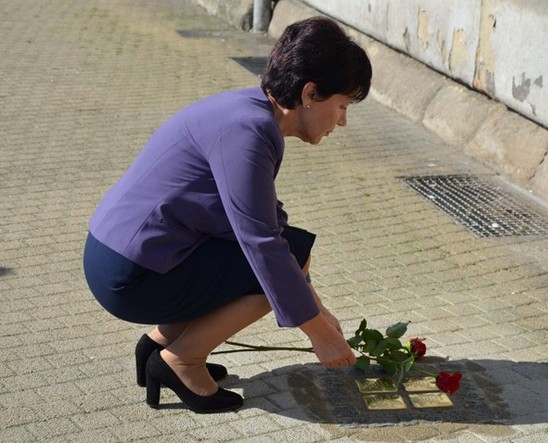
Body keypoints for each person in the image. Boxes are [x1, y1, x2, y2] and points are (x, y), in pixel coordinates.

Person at [82, 16, 372, 414]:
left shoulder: (249, 111)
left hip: (122, 255)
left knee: (291, 253)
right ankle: (182, 360)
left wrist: (318, 310)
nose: (342, 121)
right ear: (310, 94)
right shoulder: (249, 133)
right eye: (341, 106)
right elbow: (263, 244)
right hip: (130, 274)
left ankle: (161, 342)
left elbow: (271, 223)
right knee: (270, 271)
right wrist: (318, 332)